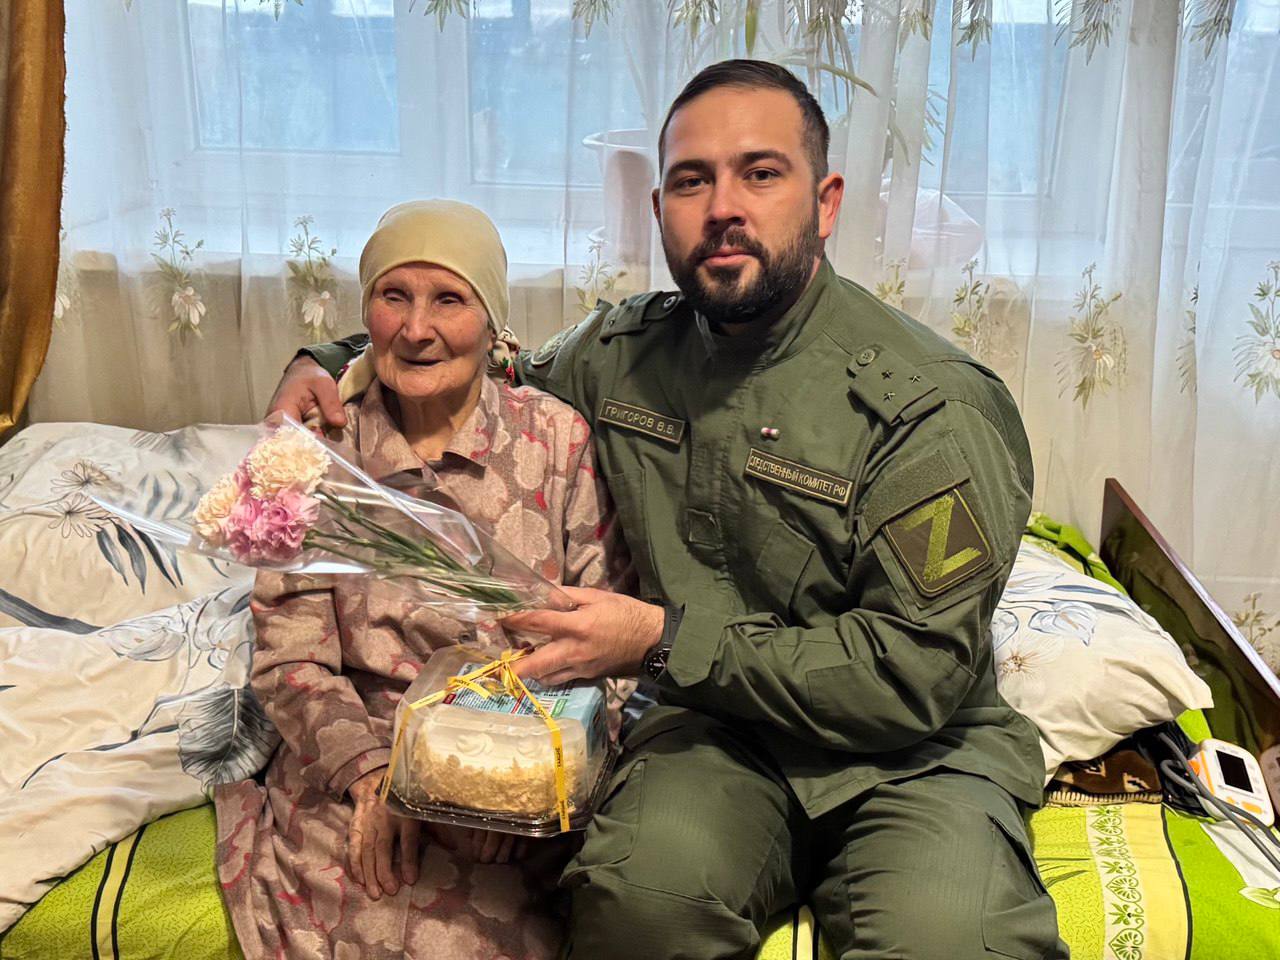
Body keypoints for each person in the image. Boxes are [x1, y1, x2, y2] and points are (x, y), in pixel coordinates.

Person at [271, 61, 1068, 960]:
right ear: (659, 211)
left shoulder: (930, 409)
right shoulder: (620, 355)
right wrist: (325, 360)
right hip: (720, 736)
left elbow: (911, 673)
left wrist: (658, 641)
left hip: (913, 758)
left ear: (826, 202)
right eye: (692, 181)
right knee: (637, 903)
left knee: (953, 942)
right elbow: (471, 356)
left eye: (760, 173)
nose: (723, 207)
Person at [216, 199, 634, 960]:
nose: (416, 328)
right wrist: (378, 777)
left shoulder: (557, 440)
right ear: (365, 310)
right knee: (350, 914)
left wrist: (509, 785)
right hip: (358, 755)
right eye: (393, 296)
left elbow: (606, 650)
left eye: (449, 299)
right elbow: (289, 658)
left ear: (492, 320)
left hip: (520, 758)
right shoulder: (313, 451)